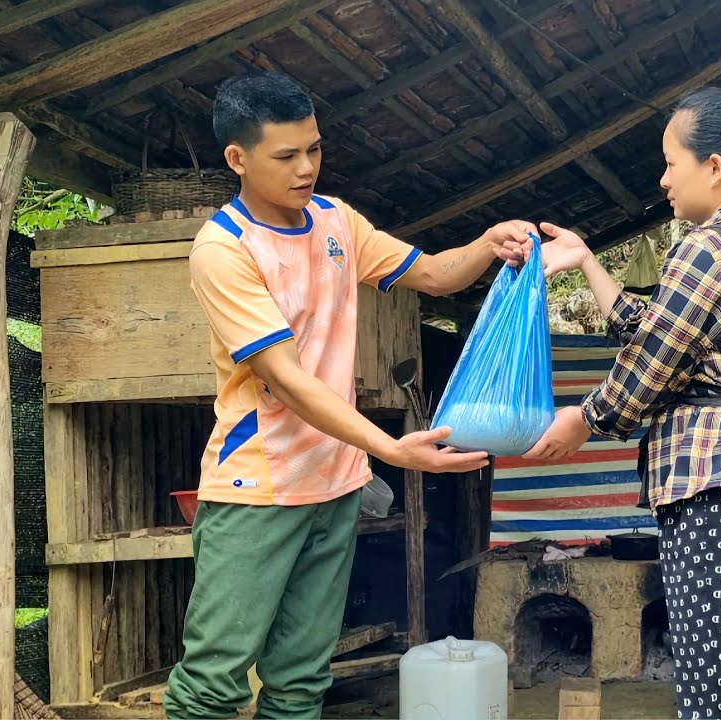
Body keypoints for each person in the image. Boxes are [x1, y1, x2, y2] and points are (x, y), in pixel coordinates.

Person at [162, 71, 541, 719]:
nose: (306, 166)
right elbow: (289, 381)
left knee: (302, 680)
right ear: (238, 158)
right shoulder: (224, 250)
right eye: (286, 155)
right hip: (258, 490)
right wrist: (392, 446)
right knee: (213, 684)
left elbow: (430, 274)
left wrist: (485, 244)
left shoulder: (337, 221)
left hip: (335, 486)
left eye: (314, 148)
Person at [525, 84, 721, 718]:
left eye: (671, 162)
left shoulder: (710, 246)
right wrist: (587, 263)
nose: (661, 180)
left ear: (714, 167)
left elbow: (651, 367)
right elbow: (665, 330)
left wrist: (586, 418)